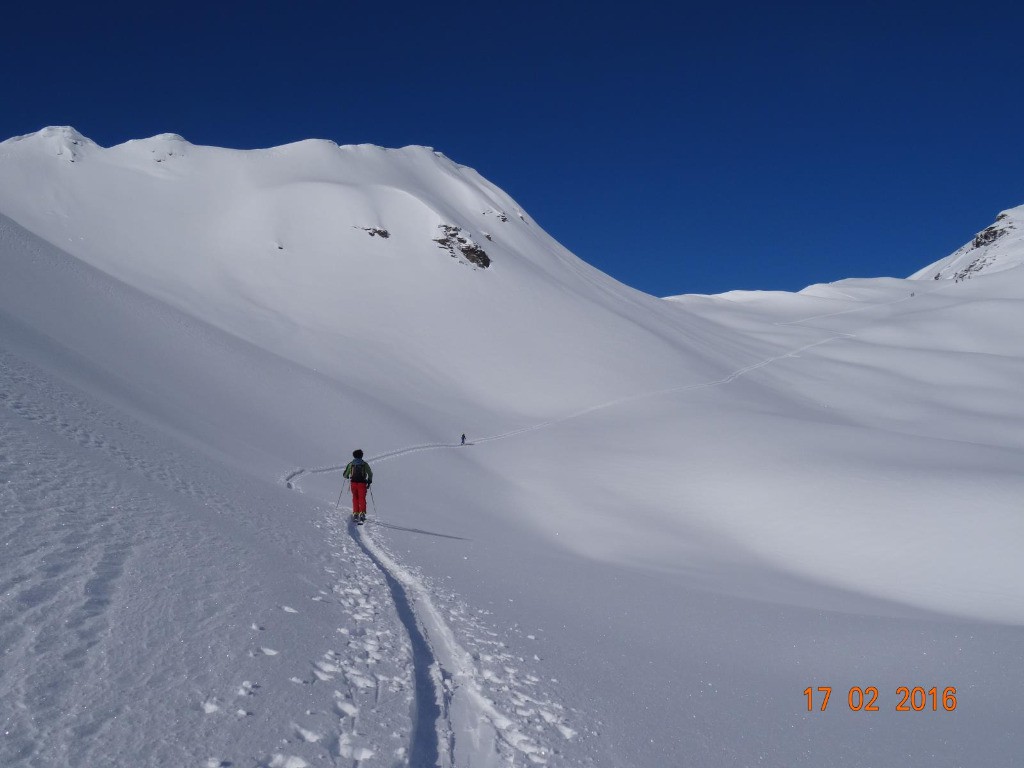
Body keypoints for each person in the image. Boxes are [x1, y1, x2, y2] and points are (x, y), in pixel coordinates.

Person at [343, 449, 373, 522]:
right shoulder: (364, 464)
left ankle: (356, 513)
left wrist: (347, 476)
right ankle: (362, 513)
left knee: (355, 498)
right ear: (361, 455)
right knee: (362, 498)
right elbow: (370, 474)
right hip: (362, 483)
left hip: (353, 483)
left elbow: (345, 474)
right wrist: (369, 481)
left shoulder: (351, 464)